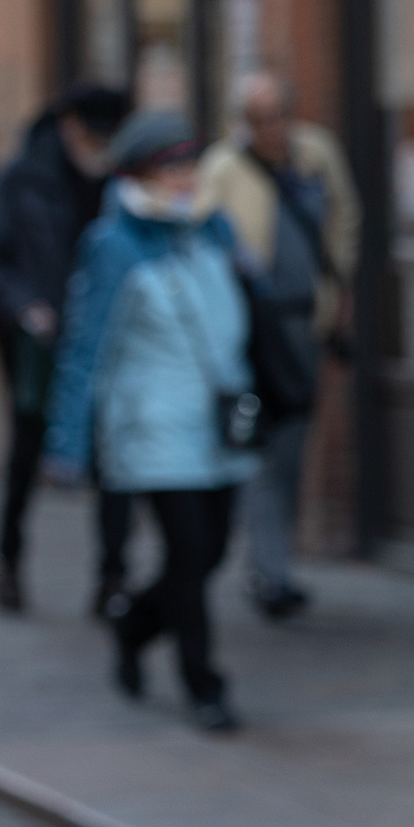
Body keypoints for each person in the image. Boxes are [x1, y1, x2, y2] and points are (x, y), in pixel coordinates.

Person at [45, 111, 259, 734]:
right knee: (189, 554)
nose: (186, 177)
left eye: (190, 164)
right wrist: (67, 443)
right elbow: (85, 348)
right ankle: (205, 685)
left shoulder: (213, 229)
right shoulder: (114, 243)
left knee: (211, 554)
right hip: (154, 427)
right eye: (172, 168)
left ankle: (133, 626)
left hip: (220, 420)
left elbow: (249, 312)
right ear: (140, 174)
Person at [0, 84, 135, 616]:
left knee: (113, 460)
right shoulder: (24, 179)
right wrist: (28, 308)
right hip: (40, 345)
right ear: (67, 126)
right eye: (92, 133)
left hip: (104, 340)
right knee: (27, 453)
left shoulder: (123, 183)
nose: (100, 144)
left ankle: (112, 579)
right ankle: (8, 564)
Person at [198, 71, 359, 619]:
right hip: (248, 330)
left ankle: (274, 561)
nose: (273, 128)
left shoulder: (317, 155)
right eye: (260, 119)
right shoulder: (222, 169)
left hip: (303, 322)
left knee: (291, 445)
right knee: (258, 448)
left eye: (279, 115)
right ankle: (268, 571)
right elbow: (204, 240)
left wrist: (339, 291)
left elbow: (344, 222)